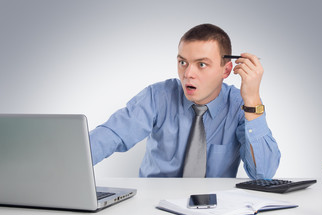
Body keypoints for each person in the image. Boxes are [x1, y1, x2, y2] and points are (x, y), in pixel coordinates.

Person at [89, 23, 280, 179]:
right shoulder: (158, 96)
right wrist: (68, 163)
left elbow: (263, 174)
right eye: (183, 62)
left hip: (214, 211)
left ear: (226, 70)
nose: (188, 74)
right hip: (154, 206)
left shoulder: (240, 105)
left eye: (202, 64)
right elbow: (112, 134)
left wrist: (253, 100)